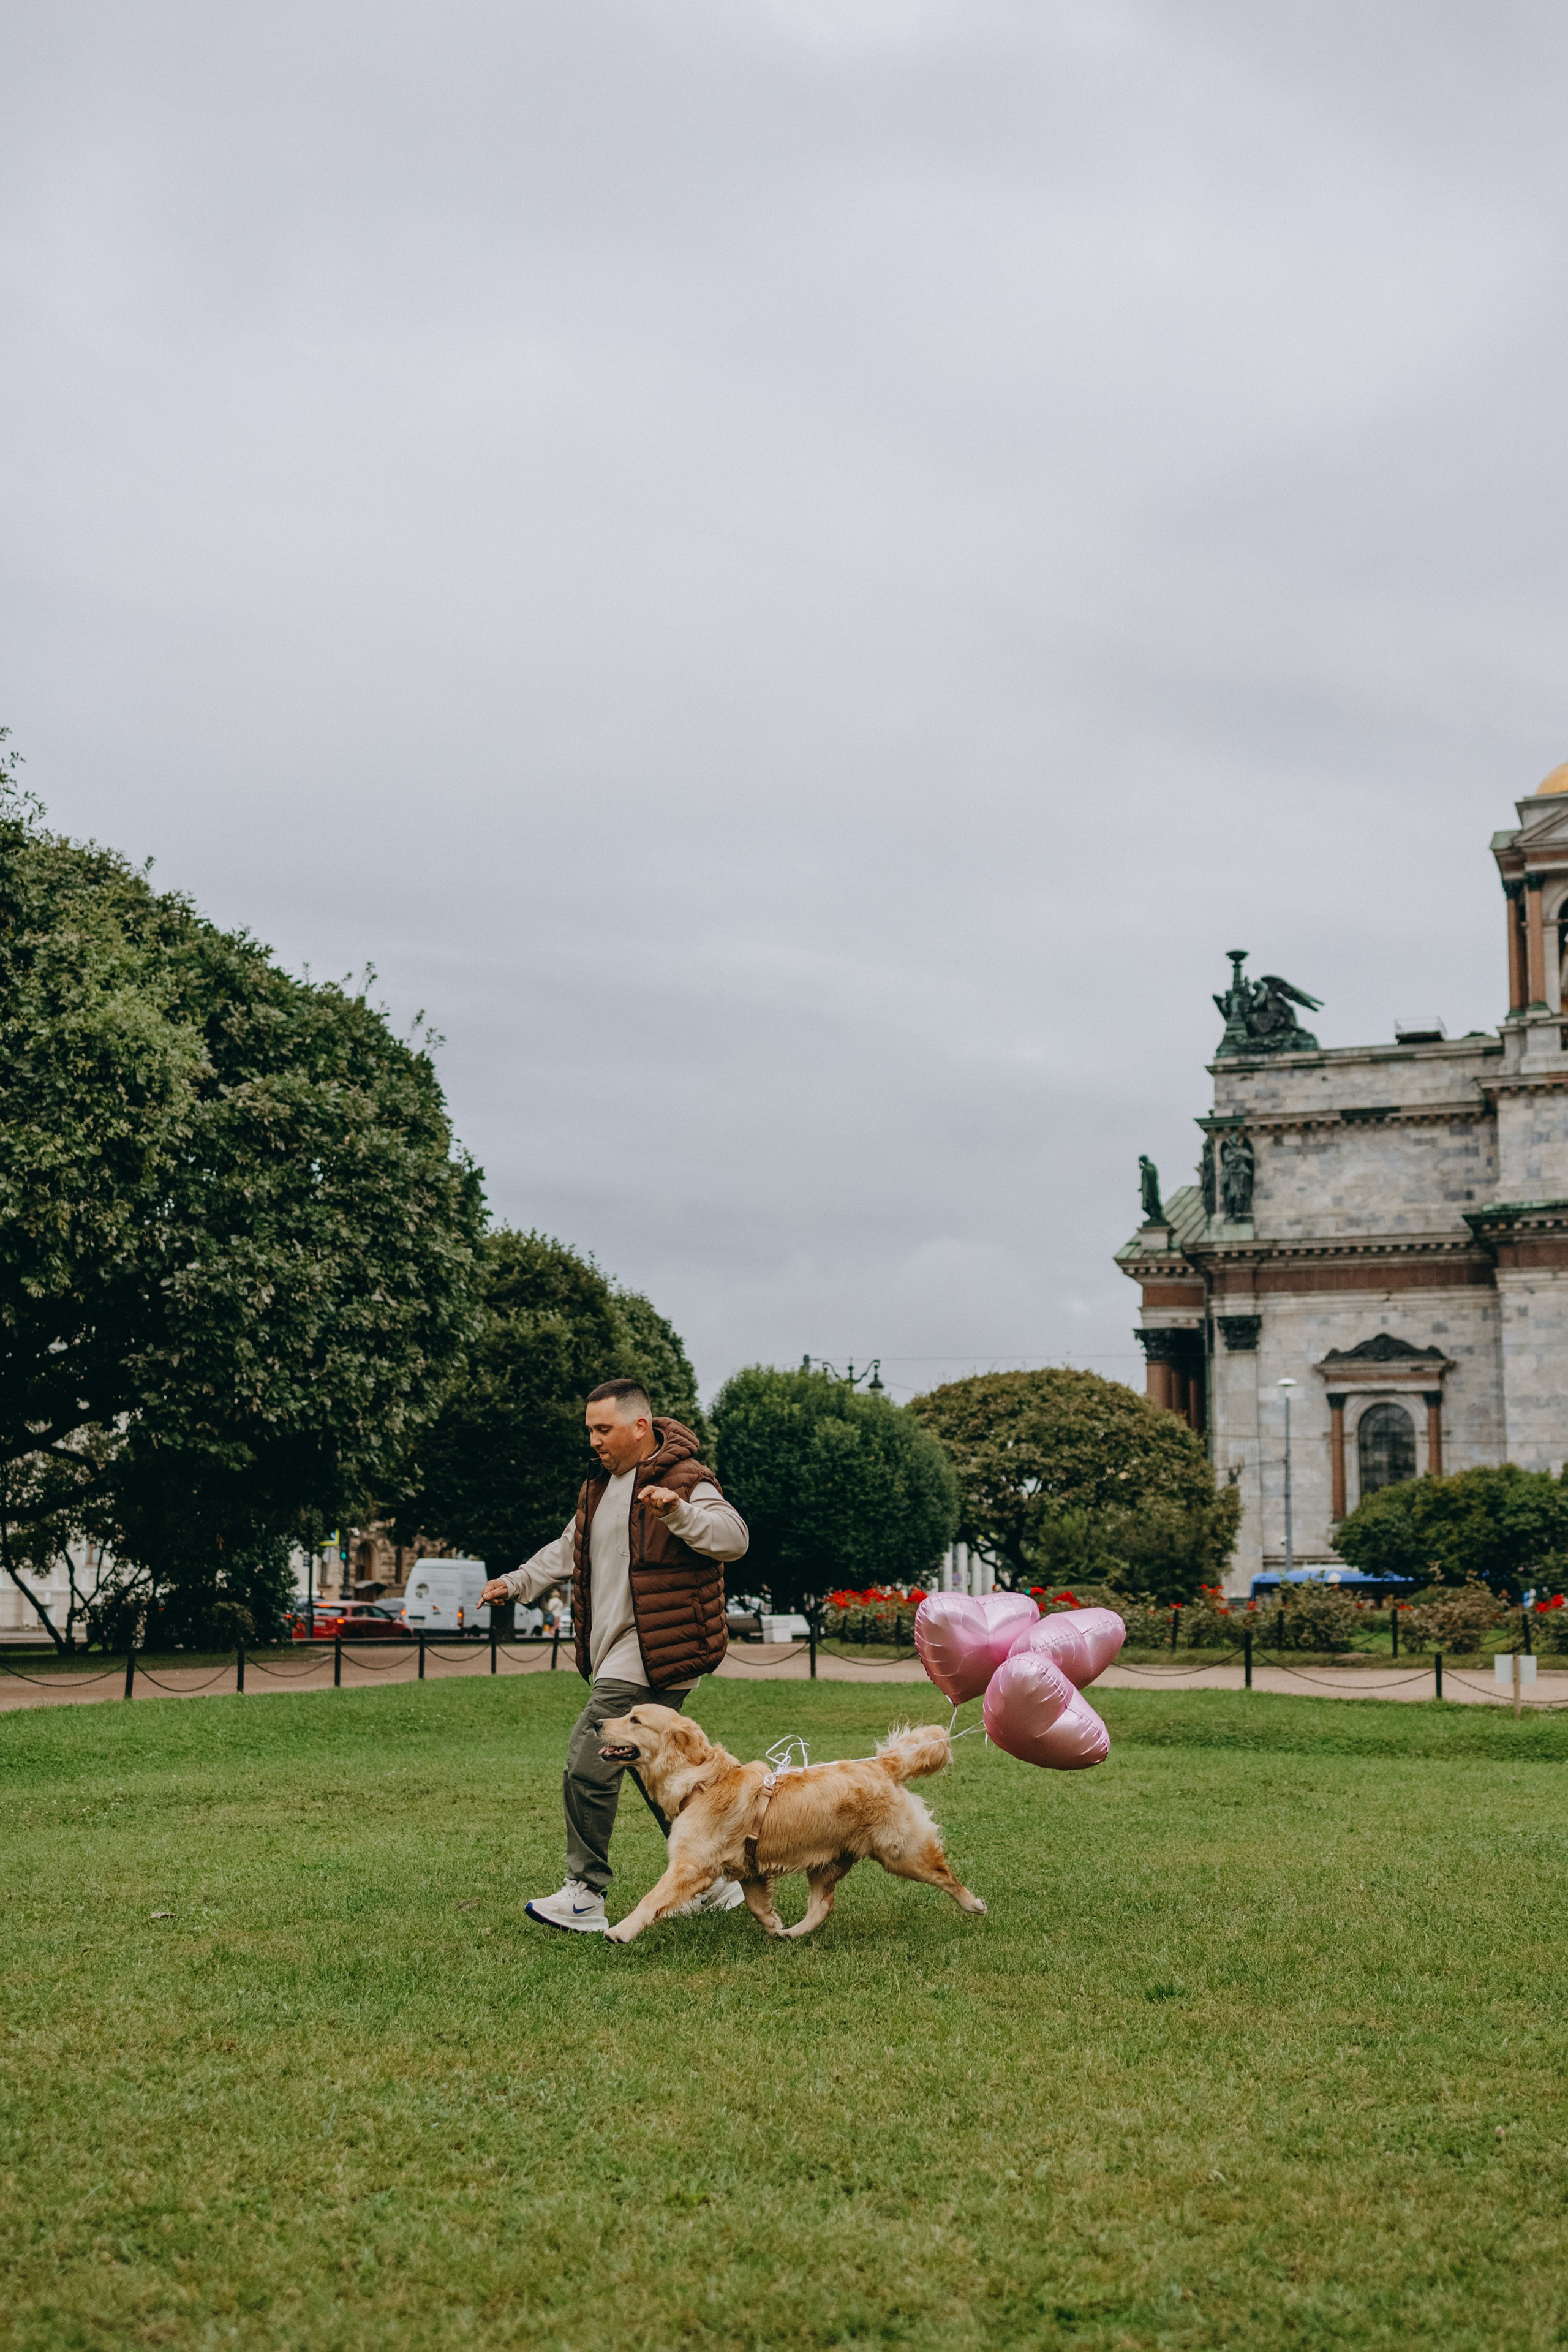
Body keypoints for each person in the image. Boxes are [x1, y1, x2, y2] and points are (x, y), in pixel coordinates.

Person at [480, 1379, 750, 1935]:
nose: (595, 1441)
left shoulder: (685, 1480)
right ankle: (716, 1877)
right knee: (651, 1763)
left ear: (640, 1427)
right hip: (619, 1653)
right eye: (590, 1431)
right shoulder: (599, 1490)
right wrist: (515, 1582)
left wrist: (678, 1513)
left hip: (659, 1650)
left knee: (590, 1754)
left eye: (604, 1430)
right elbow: (567, 1549)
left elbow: (733, 1538)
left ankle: (585, 1893)